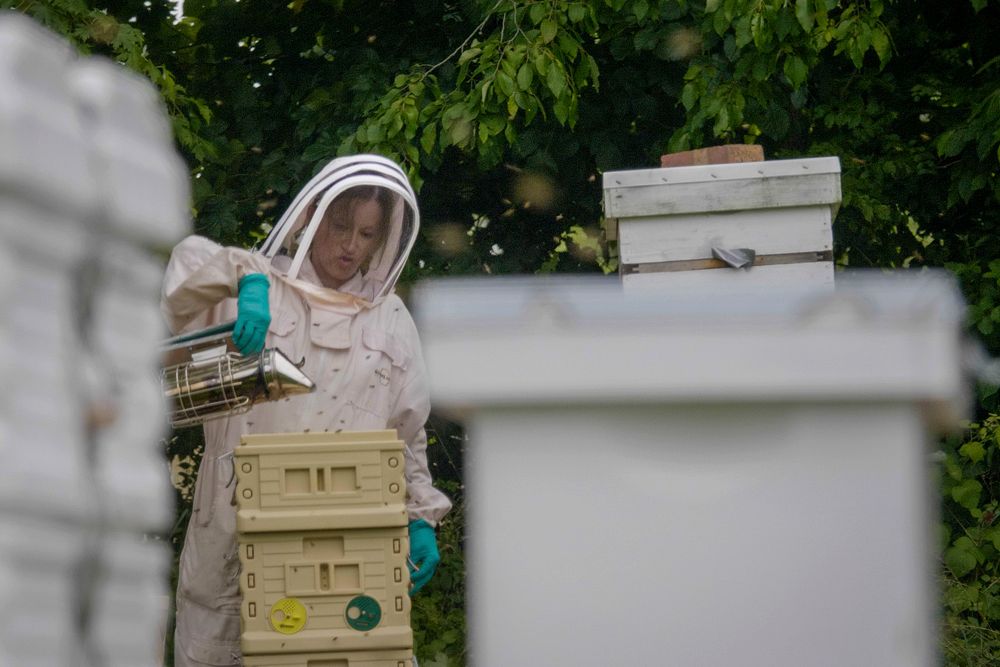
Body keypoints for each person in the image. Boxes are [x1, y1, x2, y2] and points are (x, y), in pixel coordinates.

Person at [160, 154, 452, 667]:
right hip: (234, 526)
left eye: (366, 234)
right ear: (312, 217)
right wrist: (245, 280)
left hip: (345, 544)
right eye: (341, 227)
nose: (350, 246)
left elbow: (406, 432)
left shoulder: (391, 319)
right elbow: (184, 272)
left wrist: (419, 517)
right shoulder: (255, 286)